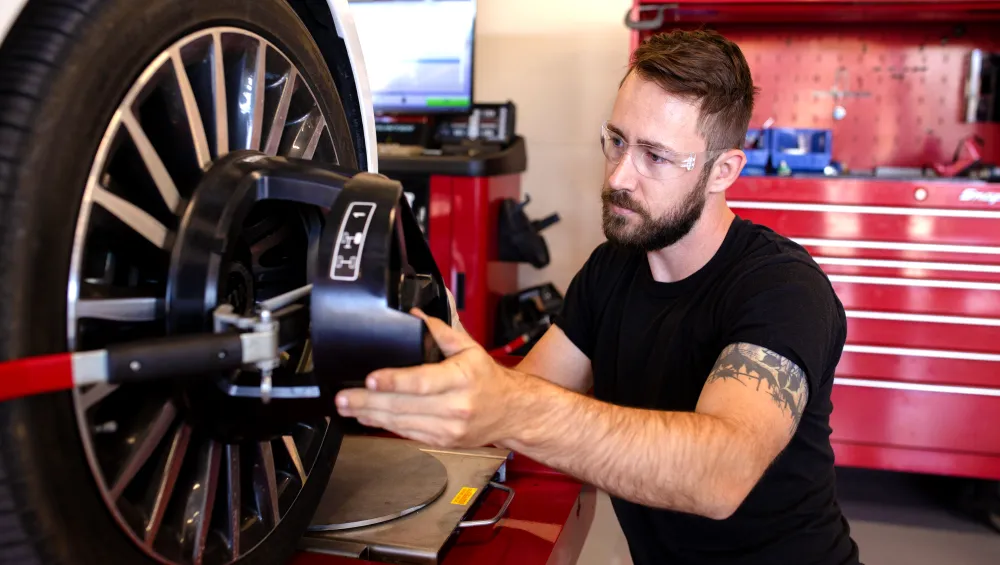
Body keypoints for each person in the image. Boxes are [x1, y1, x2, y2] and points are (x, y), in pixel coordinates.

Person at [335, 29, 862, 565]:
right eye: (616, 140)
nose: (618, 176)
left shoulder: (783, 289)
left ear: (721, 172)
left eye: (655, 156)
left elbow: (720, 475)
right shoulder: (613, 269)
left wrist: (514, 409)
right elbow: (521, 394)